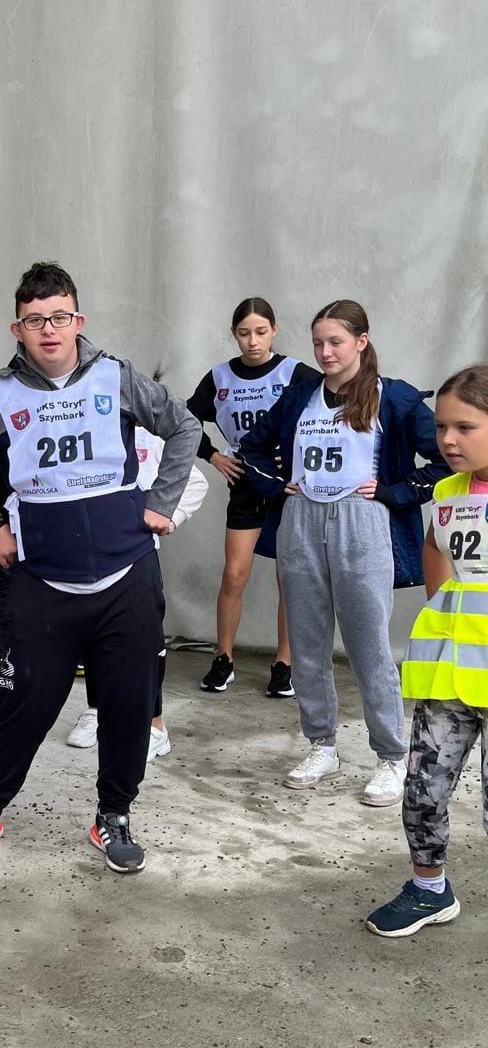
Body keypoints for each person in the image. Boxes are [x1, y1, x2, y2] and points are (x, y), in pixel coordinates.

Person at [0, 260, 200, 873]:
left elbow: (184, 427)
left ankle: (114, 814)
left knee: (129, 704)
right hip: (41, 580)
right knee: (23, 703)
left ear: (78, 320)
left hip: (125, 575)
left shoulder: (117, 377)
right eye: (35, 321)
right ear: (18, 329)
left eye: (59, 317)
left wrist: (162, 504)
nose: (49, 329)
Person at [240, 300, 446, 806]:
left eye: (336, 341)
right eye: (318, 343)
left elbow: (444, 454)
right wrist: (276, 486)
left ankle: (392, 756)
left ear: (361, 341)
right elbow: (251, 449)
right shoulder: (301, 397)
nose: (325, 352)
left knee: (368, 645)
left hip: (361, 522)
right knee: (306, 641)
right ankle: (322, 745)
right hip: (302, 521)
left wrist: (398, 492)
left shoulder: (392, 396)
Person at [365, 365, 488, 935]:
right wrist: (445, 608)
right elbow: (437, 554)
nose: (447, 440)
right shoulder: (445, 493)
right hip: (449, 679)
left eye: (465, 427)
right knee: (422, 791)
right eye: (441, 427)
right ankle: (428, 890)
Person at [186, 298, 320, 698]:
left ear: (274, 330)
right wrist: (213, 455)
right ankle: (223, 658)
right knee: (234, 574)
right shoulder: (220, 377)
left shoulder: (294, 372)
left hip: (287, 485)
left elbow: (330, 409)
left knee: (288, 577)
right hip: (245, 480)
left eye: (261, 332)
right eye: (244, 333)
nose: (253, 341)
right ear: (234, 334)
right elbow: (184, 420)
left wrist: (296, 451)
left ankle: (284, 664)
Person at [66, 423, 210, 761]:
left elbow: (196, 482)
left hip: (137, 556)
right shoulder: (85, 433)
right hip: (89, 556)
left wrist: (170, 517)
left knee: (144, 642)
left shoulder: (152, 438)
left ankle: (155, 726)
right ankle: (97, 709)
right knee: (93, 636)